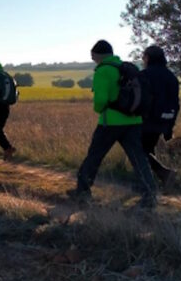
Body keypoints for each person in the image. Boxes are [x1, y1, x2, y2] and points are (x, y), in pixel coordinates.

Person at [67, 40, 158, 208]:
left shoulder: (103, 70)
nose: (92, 58)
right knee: (139, 159)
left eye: (92, 55)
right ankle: (150, 194)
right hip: (134, 120)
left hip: (110, 122)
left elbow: (101, 100)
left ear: (97, 55)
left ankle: (82, 192)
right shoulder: (128, 68)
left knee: (94, 157)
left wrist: (99, 109)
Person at [140, 45, 180, 186]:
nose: (143, 59)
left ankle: (164, 174)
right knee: (148, 150)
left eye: (144, 56)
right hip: (165, 121)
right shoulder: (171, 77)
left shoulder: (144, 75)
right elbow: (176, 104)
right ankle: (152, 181)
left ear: (148, 58)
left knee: (139, 152)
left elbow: (141, 100)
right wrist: (170, 127)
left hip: (148, 120)